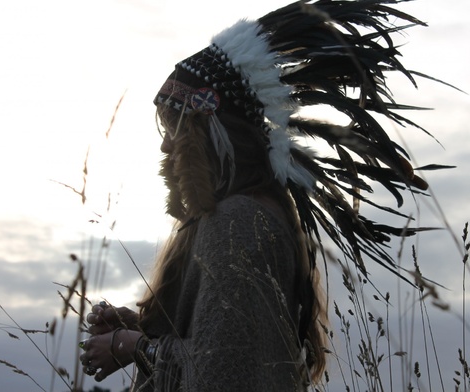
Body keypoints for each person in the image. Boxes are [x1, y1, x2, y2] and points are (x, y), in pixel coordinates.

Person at [78, 1, 438, 390]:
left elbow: (228, 374)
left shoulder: (238, 223)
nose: (166, 148)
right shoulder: (248, 214)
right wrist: (139, 328)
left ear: (214, 135)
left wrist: (133, 348)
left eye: (176, 130)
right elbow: (229, 345)